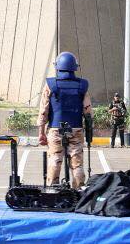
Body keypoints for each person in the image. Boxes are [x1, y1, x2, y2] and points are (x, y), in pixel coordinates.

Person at [37, 52, 91, 188]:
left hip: (55, 129)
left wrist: (41, 133)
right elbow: (88, 112)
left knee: (55, 160)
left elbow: (44, 111)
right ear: (75, 67)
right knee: (77, 164)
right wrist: (89, 132)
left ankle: (52, 191)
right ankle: (78, 191)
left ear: (58, 67)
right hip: (76, 129)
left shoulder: (51, 84)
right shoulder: (82, 85)